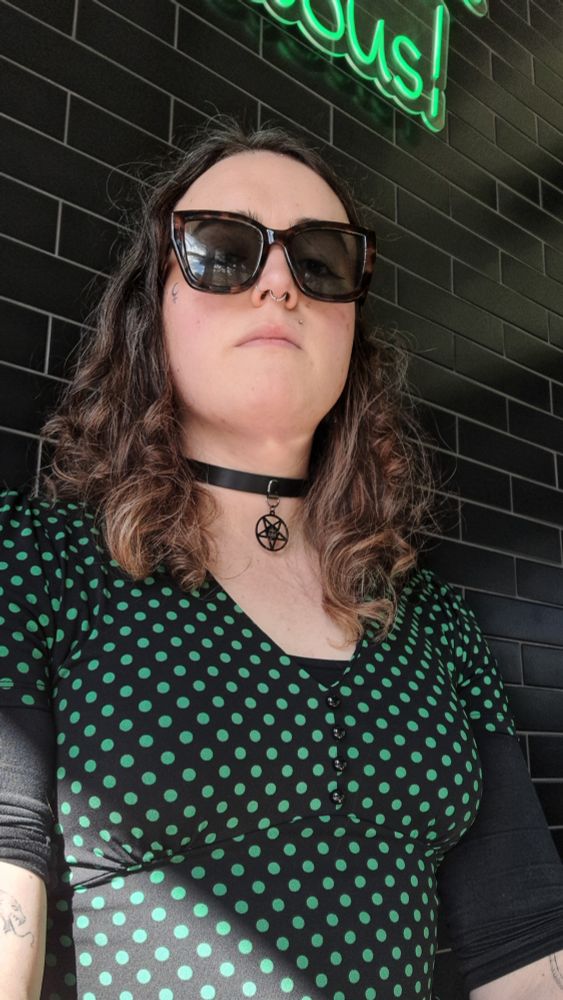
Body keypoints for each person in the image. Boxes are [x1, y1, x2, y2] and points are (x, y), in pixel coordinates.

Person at [0, 121, 562, 1000]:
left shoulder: (431, 619)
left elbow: (520, 931)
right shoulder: (39, 562)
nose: (277, 283)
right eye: (222, 251)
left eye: (320, 260)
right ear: (153, 308)